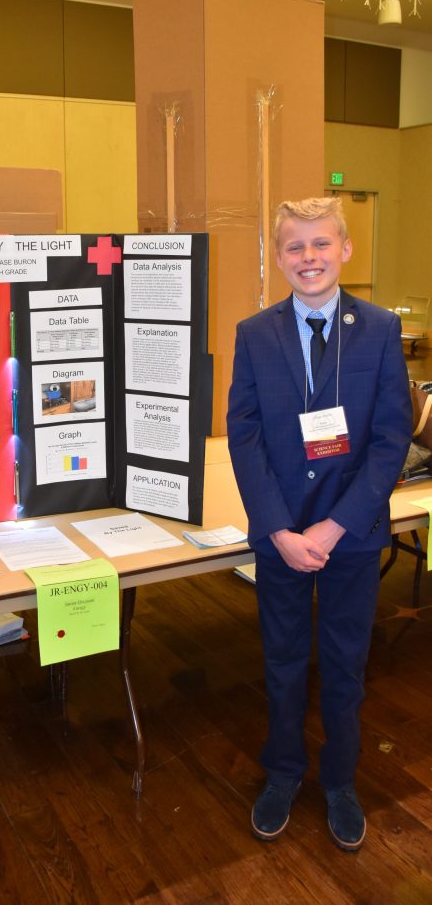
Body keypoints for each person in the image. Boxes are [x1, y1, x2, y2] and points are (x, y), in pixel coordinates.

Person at [226, 196, 411, 851]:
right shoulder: (255, 334)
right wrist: (278, 529)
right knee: (281, 661)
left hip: (350, 534)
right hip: (280, 533)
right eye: (295, 247)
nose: (309, 257)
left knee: (344, 664)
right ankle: (283, 771)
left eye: (321, 243)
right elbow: (244, 436)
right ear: (278, 258)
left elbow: (390, 439)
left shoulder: (380, 329)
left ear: (345, 250)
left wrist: (334, 528)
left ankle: (339, 780)